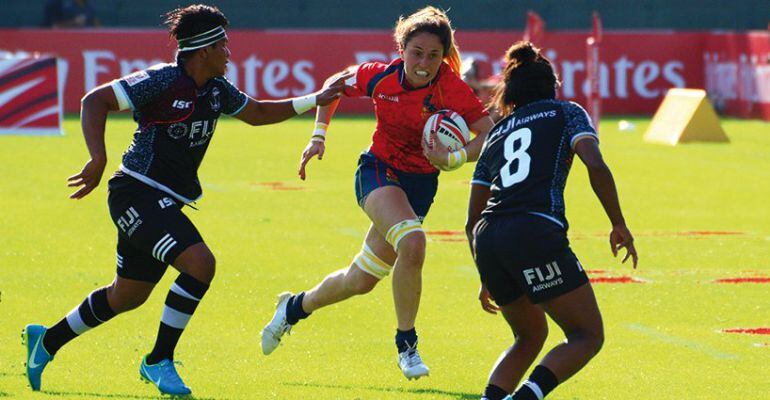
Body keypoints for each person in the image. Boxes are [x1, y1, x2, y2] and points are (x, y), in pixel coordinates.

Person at [22, 4, 348, 396]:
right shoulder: (162, 80)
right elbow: (95, 100)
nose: (230, 53)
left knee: (127, 295)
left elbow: (258, 112)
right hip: (135, 192)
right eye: (224, 45)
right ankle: (158, 360)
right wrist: (98, 157)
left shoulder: (216, 90)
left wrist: (315, 99)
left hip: (162, 200)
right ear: (205, 50)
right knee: (200, 264)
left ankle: (47, 341)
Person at [259, 6, 495, 380]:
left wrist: (454, 158)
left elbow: (488, 132)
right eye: (417, 52)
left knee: (361, 279)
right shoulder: (380, 76)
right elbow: (335, 84)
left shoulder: (451, 86)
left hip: (420, 185)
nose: (424, 63)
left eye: (434, 55)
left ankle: (293, 308)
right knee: (413, 243)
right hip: (378, 171)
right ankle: (407, 344)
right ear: (401, 50)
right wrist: (318, 135)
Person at [466, 41, 638, 400]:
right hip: (533, 230)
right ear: (553, 86)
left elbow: (472, 219)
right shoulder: (566, 113)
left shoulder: (496, 131)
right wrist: (618, 223)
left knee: (528, 337)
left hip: (488, 238)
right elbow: (595, 164)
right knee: (587, 335)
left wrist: (487, 273)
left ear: (509, 91)